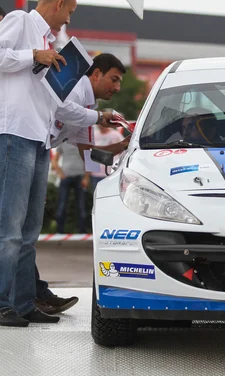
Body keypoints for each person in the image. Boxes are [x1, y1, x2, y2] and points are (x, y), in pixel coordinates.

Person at [0, 0, 104, 327]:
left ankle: (23, 301)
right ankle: (2, 302)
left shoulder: (50, 44)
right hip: (14, 134)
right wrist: (32, 56)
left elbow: (59, 106)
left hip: (39, 140)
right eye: (70, 11)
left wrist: (100, 116)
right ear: (58, 4)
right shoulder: (20, 21)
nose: (69, 18)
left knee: (30, 230)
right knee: (10, 229)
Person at [34, 53, 129, 316]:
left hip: (37, 154)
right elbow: (61, 108)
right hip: (20, 148)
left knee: (25, 234)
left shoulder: (88, 107)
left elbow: (89, 156)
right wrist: (99, 117)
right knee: (15, 234)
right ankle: (28, 296)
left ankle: (34, 294)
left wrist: (125, 145)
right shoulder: (75, 88)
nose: (117, 87)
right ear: (95, 74)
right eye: (114, 79)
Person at [51, 142, 90, 233]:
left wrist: (86, 177)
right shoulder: (63, 142)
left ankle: (82, 230)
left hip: (80, 177)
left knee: (81, 205)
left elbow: (89, 160)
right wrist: (60, 174)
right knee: (62, 204)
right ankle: (59, 230)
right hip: (66, 176)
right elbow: (54, 160)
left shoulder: (83, 141)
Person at [89, 123, 124, 193]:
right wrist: (89, 171)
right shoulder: (93, 135)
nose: (100, 125)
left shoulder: (115, 135)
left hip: (111, 172)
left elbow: (123, 150)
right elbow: (89, 152)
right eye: (98, 122)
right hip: (96, 173)